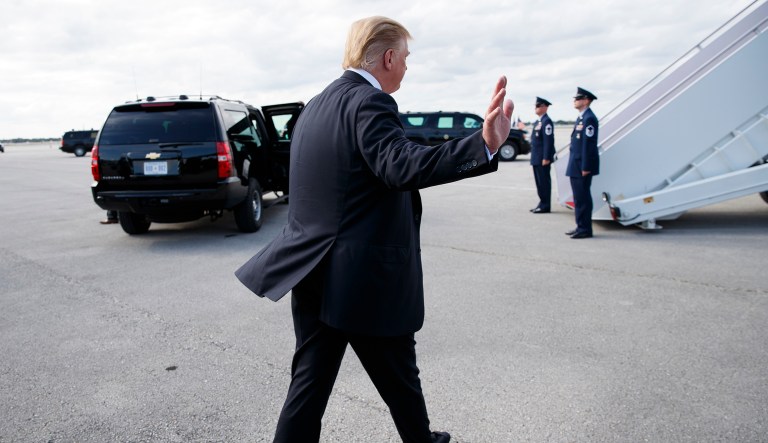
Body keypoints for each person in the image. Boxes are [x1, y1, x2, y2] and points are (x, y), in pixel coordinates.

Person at [234, 16, 513, 443]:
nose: (406, 66)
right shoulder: (370, 102)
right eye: (405, 58)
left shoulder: (316, 105)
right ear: (387, 57)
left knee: (309, 381)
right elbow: (400, 165)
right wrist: (484, 145)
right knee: (398, 374)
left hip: (310, 268)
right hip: (361, 276)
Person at [566, 87, 599, 239]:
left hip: (582, 166)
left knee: (583, 198)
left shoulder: (589, 119)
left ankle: (585, 229)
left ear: (586, 101)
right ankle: (580, 226)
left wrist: (586, 166)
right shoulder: (582, 118)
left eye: (578, 99)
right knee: (578, 198)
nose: (575, 101)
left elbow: (589, 145)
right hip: (576, 164)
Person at [529, 97, 555, 214]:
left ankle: (545, 205)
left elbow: (548, 141)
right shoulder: (538, 122)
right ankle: (541, 203)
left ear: (545, 107)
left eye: (538, 105)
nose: (536, 107)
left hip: (542, 159)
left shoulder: (546, 121)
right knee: (539, 183)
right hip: (536, 158)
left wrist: (546, 157)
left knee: (544, 183)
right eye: (535, 105)